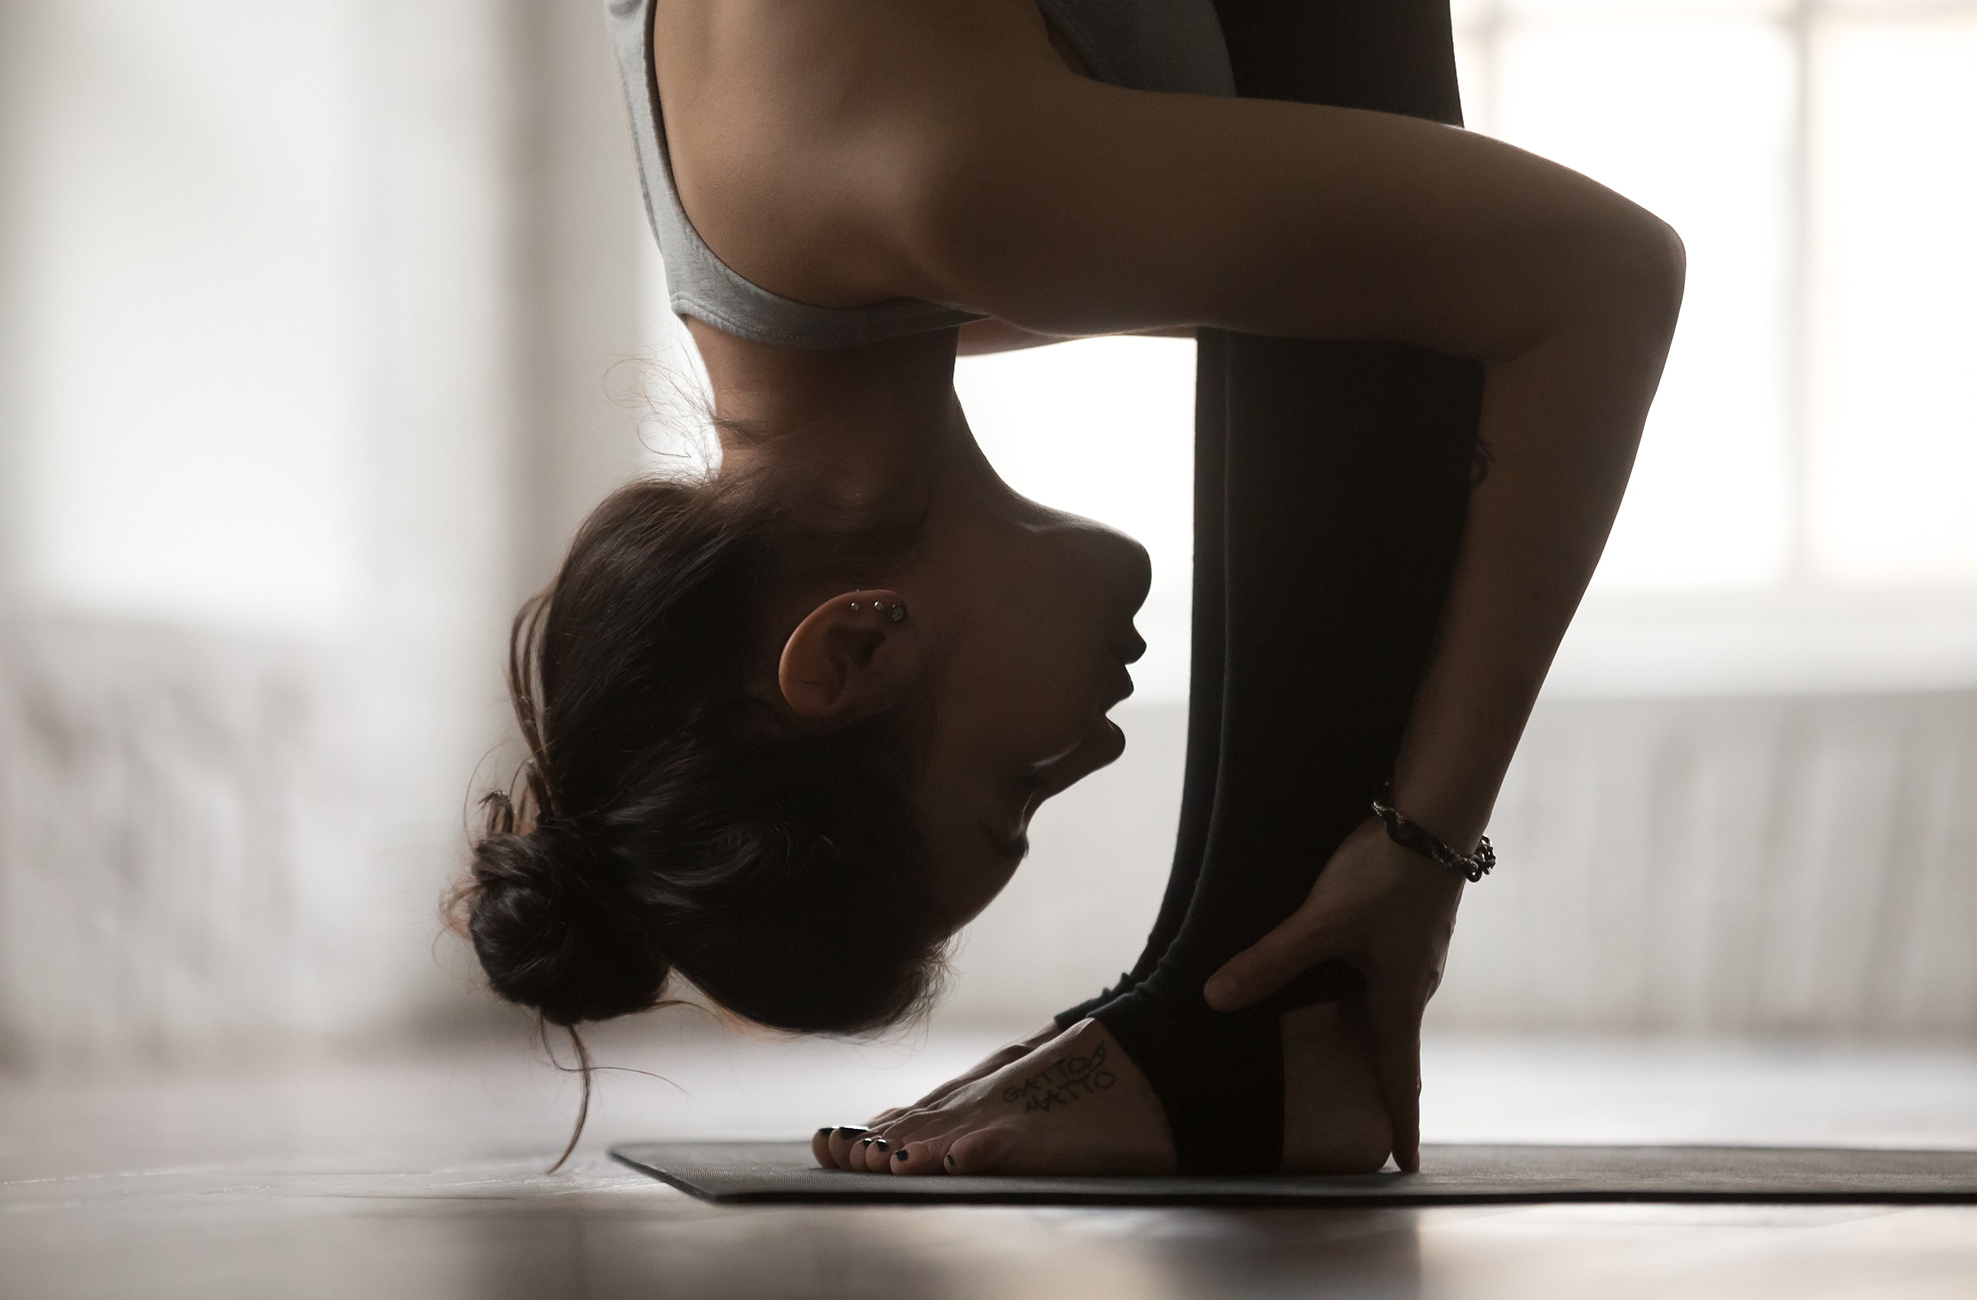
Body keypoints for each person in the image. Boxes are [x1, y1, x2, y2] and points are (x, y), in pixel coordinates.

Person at [454, 0, 1682, 1177]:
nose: (1090, 751)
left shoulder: (964, 198)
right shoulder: (769, 217)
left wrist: (1423, 835)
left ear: (852, 651)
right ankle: (1233, 1006)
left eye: (1016, 788)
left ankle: (1252, 1017)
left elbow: (1598, 277)